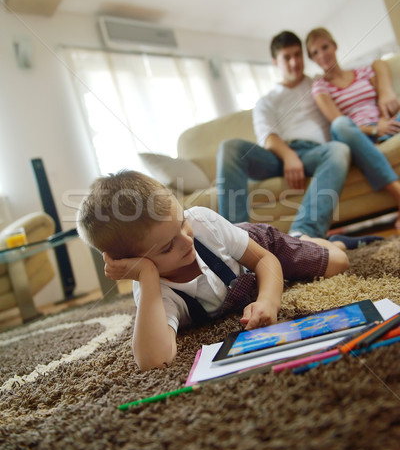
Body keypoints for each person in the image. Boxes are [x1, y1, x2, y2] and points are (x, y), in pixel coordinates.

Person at [77, 170, 350, 371]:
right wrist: (147, 277)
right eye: (166, 248)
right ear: (133, 263)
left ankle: (304, 237)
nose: (186, 241)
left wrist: (268, 301)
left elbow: (265, 260)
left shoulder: (203, 223)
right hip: (234, 270)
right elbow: (153, 361)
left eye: (182, 223)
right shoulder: (154, 291)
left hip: (257, 245)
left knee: (339, 262)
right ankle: (302, 237)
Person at [217, 30, 352, 239]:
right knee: (230, 147)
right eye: (286, 57)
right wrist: (289, 156)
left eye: (297, 55)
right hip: (277, 158)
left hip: (315, 152)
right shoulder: (266, 101)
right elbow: (267, 137)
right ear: (275, 62)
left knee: (339, 150)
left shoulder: (319, 84)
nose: (294, 62)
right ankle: (237, 240)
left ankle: (303, 233)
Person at [305, 27, 400, 230]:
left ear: (334, 45)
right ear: (312, 58)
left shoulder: (361, 72)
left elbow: (381, 96)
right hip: (355, 135)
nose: (322, 54)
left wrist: (383, 120)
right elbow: (337, 120)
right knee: (340, 125)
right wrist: (373, 130)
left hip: (383, 124)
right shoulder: (320, 87)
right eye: (315, 52)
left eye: (325, 47)